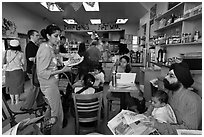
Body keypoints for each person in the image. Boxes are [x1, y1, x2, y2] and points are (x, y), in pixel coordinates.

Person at [144, 62, 202, 134]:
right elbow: (155, 102)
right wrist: (147, 114)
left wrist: (158, 125)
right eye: (168, 74)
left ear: (181, 80)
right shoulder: (168, 92)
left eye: (171, 76)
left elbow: (188, 130)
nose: (166, 77)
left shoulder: (192, 100)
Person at [36, 24, 72, 135]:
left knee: (51, 107)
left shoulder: (49, 47)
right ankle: (56, 132)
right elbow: (41, 72)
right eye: (55, 36)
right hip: (48, 84)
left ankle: (44, 128)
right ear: (48, 36)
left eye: (59, 36)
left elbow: (56, 56)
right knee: (57, 112)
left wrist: (68, 58)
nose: (58, 39)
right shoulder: (45, 50)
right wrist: (62, 71)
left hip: (52, 83)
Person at [21, 29, 44, 110]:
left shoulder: (35, 45)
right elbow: (30, 58)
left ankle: (40, 102)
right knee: (34, 88)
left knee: (38, 86)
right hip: (32, 70)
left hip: (36, 70)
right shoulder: (30, 46)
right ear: (31, 36)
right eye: (36, 35)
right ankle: (26, 106)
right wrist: (41, 58)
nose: (38, 37)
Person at [4, 39, 25, 105]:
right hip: (17, 72)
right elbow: (23, 62)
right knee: (17, 86)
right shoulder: (21, 53)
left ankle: (12, 101)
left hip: (8, 72)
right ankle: (17, 101)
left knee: (10, 86)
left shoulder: (5, 52)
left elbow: (2, 62)